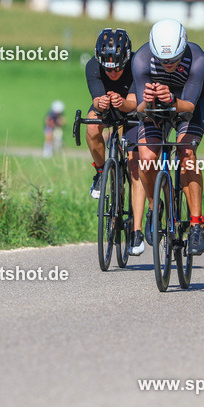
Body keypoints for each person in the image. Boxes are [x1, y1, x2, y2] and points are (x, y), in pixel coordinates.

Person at [133, 18, 204, 256]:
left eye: (173, 60)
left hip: (187, 103)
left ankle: (197, 224)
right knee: (146, 156)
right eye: (163, 60)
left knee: (186, 153)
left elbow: (188, 107)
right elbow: (140, 110)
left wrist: (171, 100)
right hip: (155, 106)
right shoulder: (141, 60)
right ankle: (155, 209)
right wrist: (148, 99)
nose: (168, 64)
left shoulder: (197, 58)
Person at [83, 28, 147, 256]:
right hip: (108, 107)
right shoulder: (92, 66)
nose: (113, 72)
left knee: (135, 162)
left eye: (118, 67)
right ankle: (101, 173)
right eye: (108, 68)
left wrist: (122, 103)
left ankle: (137, 230)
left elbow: (133, 103)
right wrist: (101, 103)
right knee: (91, 124)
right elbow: (96, 100)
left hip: (132, 110)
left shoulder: (137, 64)